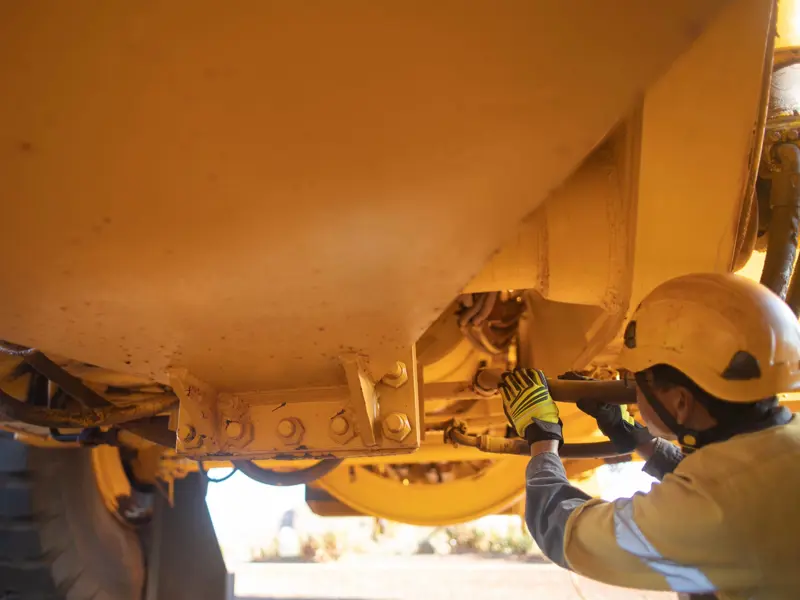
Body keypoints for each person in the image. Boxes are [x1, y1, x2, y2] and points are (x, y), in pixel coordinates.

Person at [499, 273, 800, 600]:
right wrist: (643, 441)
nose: (630, 390)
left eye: (636, 380)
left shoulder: (711, 511)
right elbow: (732, 482)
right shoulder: (784, 444)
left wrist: (542, 437)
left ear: (680, 402)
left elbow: (567, 532)